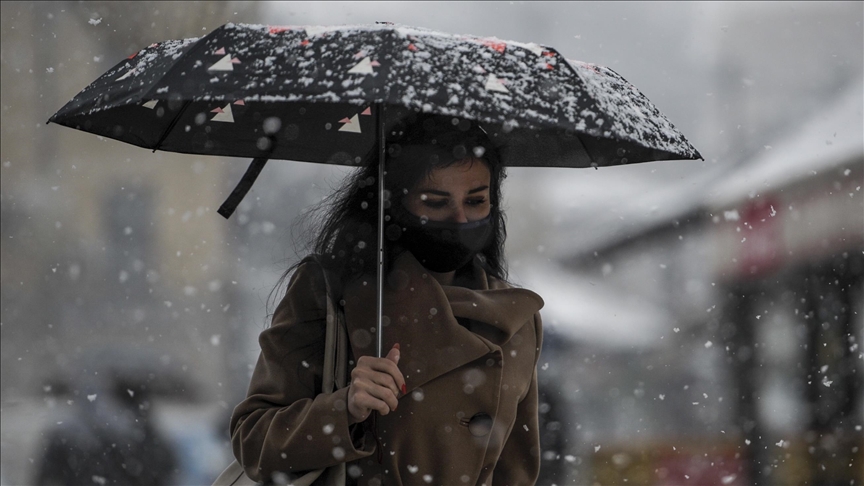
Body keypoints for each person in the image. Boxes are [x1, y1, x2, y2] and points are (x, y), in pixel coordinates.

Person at [230, 113, 545, 485]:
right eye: (435, 201)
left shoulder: (517, 317)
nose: (460, 219)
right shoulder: (331, 292)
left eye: (476, 201)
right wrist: (344, 408)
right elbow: (254, 441)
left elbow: (517, 472)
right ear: (394, 202)